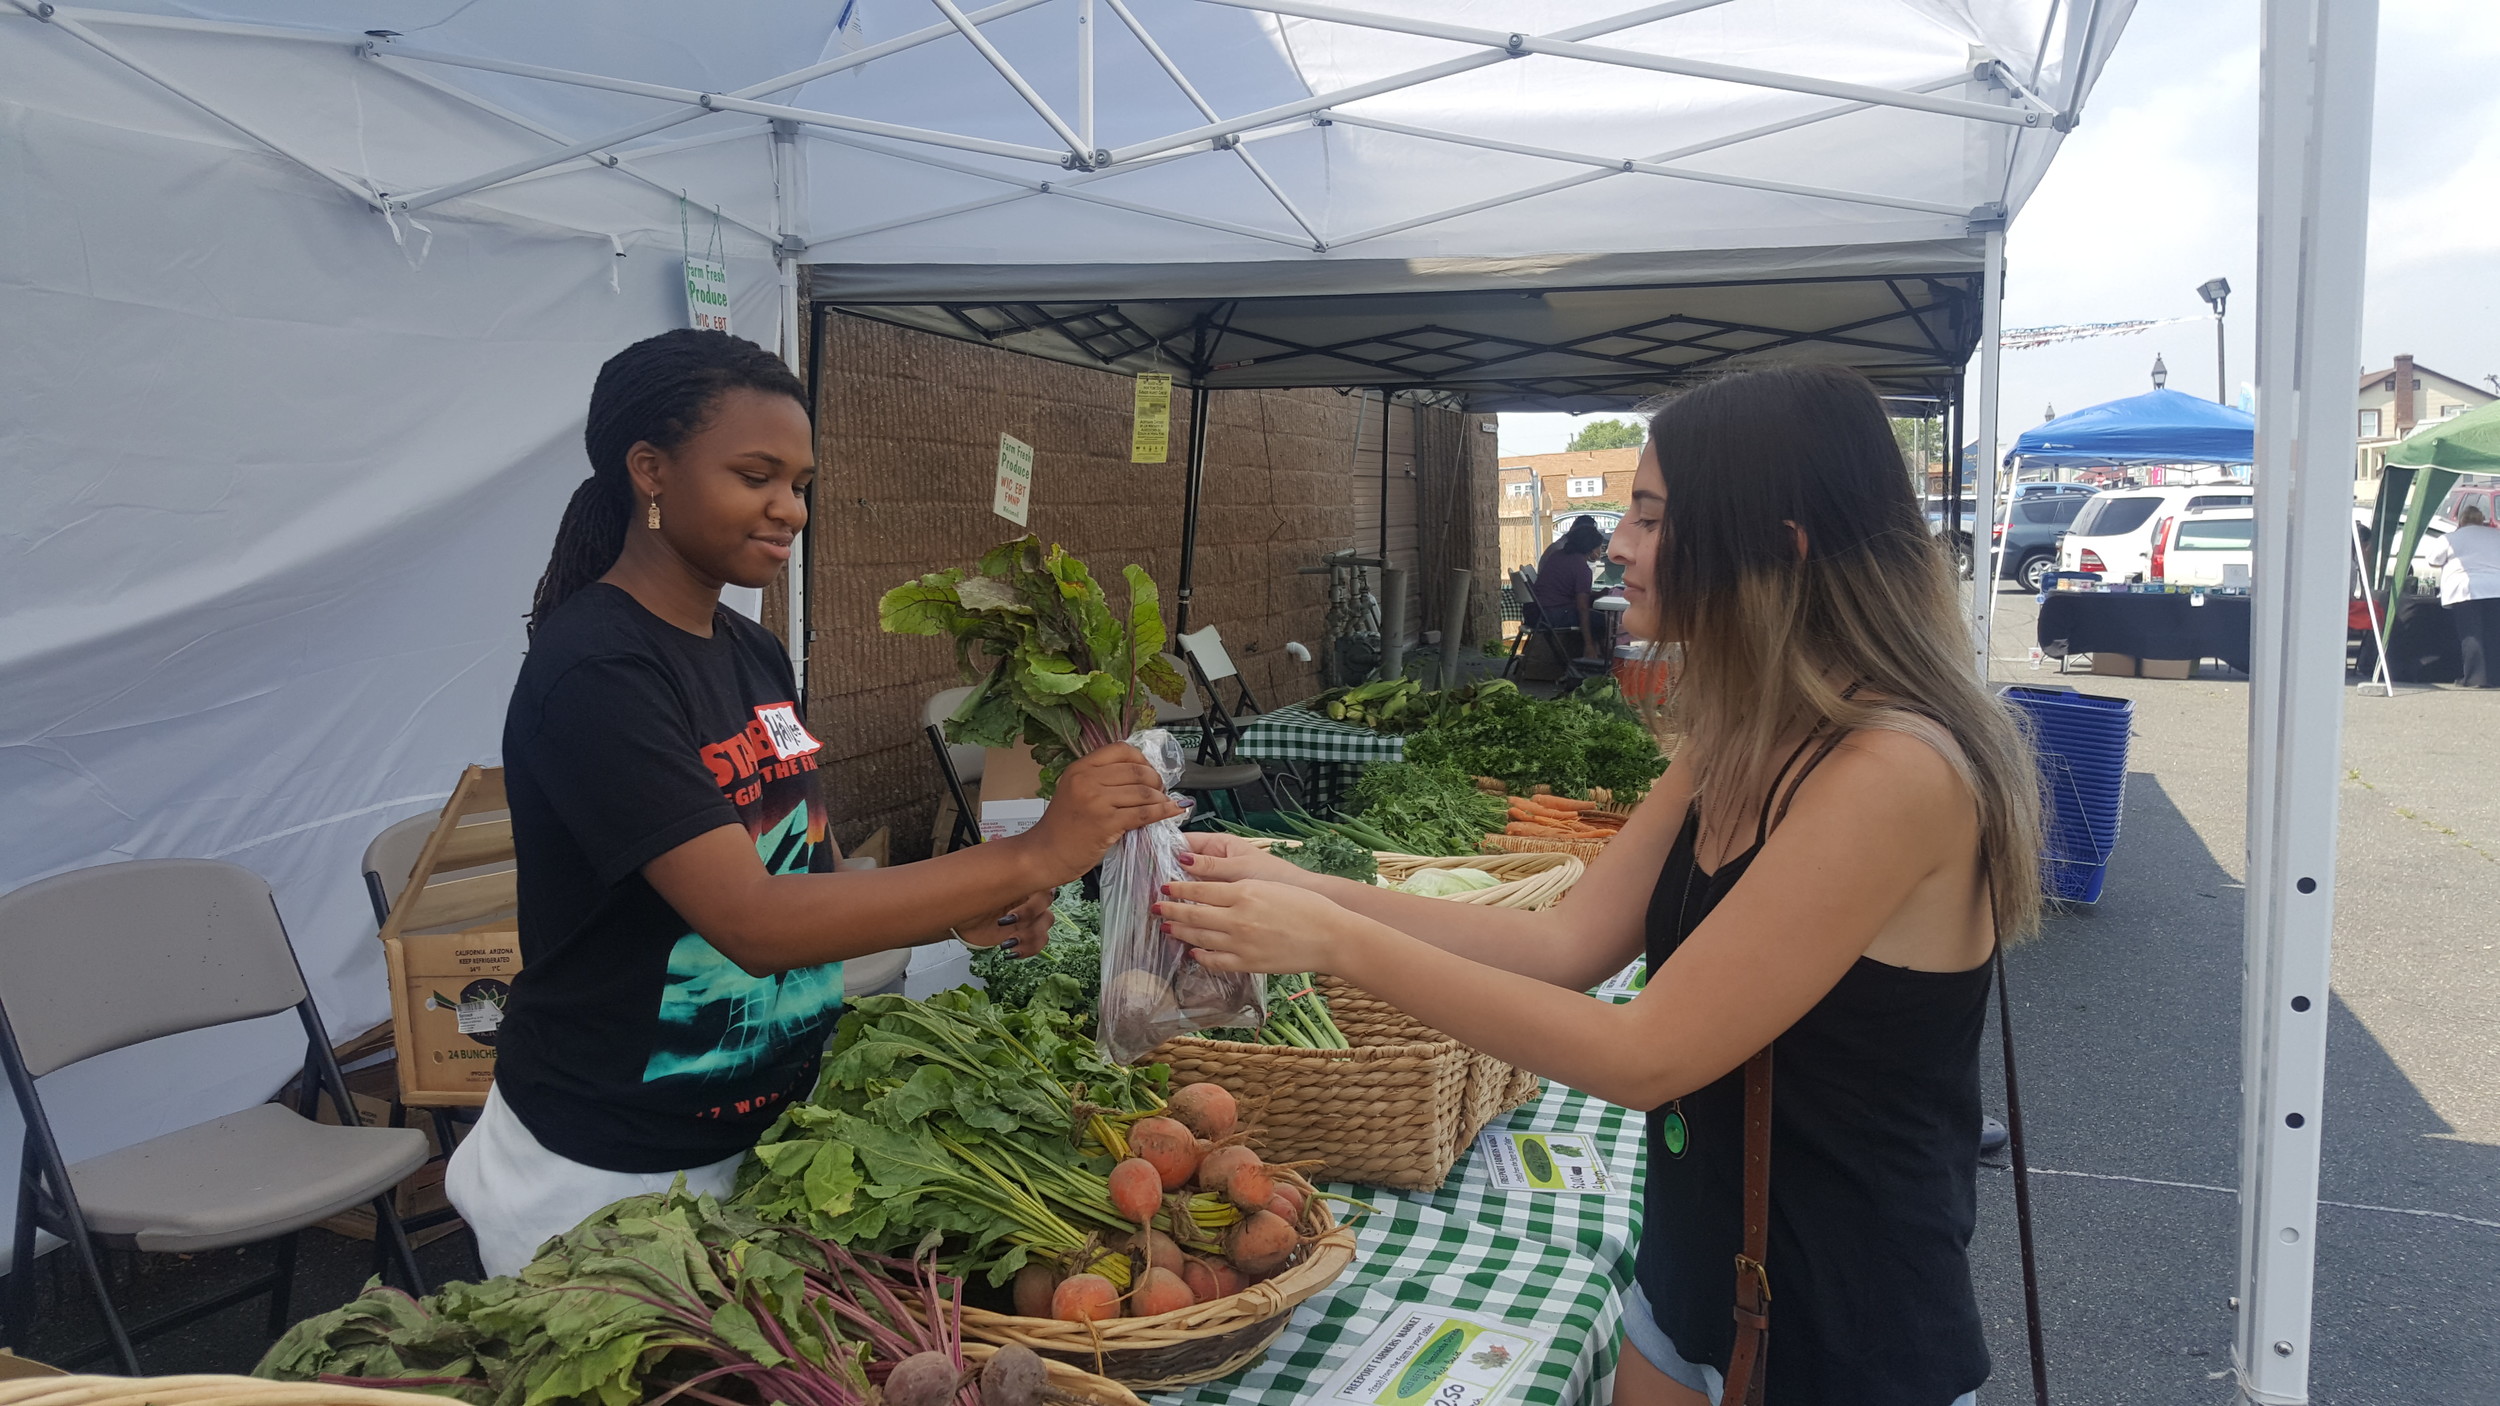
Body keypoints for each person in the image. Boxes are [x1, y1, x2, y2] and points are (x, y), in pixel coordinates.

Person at [1165, 365, 2044, 1406]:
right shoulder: (1735, 732)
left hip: (1846, 1322)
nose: (1616, 542)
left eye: (1651, 514)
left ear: (1780, 545)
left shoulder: (1893, 771)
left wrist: (1331, 939)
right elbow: (1565, 942)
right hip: (1694, 1271)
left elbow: (1642, 1051)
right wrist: (1313, 880)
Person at [446, 329, 1180, 1276]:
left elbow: (809, 876)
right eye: (757, 476)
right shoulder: (597, 670)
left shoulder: (752, 654)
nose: (788, 509)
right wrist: (1034, 853)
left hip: (773, 1135)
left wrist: (966, 909)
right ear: (650, 470)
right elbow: (753, 921)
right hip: (608, 1173)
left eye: (799, 484)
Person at [2425, 504, 2500, 687]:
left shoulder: (2450, 538)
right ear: (2482, 520)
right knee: (2494, 634)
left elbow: (2433, 560)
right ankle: (2495, 677)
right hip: (2496, 587)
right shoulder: (2495, 535)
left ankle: (2475, 678)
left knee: (2471, 634)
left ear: (2461, 521)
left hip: (2465, 589)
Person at [1533, 513, 1612, 664]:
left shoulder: (1558, 555)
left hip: (1537, 611)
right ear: (1590, 548)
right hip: (1550, 616)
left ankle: (1591, 657)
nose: (1600, 552)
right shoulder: (1582, 569)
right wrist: (1589, 644)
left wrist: (1595, 595)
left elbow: (1567, 590)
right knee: (1602, 620)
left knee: (1595, 616)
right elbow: (1582, 608)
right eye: (1599, 548)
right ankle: (1596, 659)